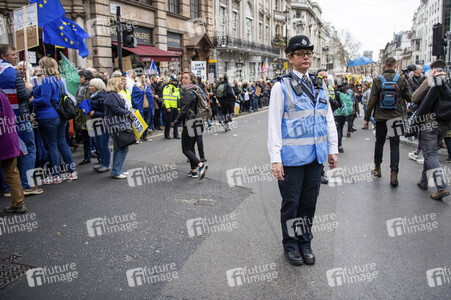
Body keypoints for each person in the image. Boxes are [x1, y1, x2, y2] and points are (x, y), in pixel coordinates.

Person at [267, 35, 338, 266]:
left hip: (315, 157)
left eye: (308, 53)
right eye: (300, 53)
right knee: (292, 204)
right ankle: (291, 245)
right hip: (291, 159)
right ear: (290, 58)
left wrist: (332, 149)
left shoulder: (319, 83)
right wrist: (275, 159)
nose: (306, 56)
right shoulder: (281, 86)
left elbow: (328, 119)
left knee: (309, 204)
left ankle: (305, 242)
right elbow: (274, 126)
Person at [0, 44, 43, 196]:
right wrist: (28, 89)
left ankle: (7, 188)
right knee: (29, 150)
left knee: (4, 152)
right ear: (3, 56)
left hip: (2, 119)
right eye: (12, 54)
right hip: (19, 117)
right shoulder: (12, 73)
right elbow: (22, 95)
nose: (15, 57)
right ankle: (26, 185)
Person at [363, 57, 412, 187]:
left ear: (384, 65)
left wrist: (367, 118)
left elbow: (372, 101)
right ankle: (394, 173)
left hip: (380, 118)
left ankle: (378, 168)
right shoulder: (401, 79)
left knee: (379, 142)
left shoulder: (377, 80)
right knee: (395, 145)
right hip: (396, 117)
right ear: (395, 66)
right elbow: (409, 97)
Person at [31, 57, 77, 184]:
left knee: (51, 145)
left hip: (48, 116)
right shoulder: (58, 80)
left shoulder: (46, 80)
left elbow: (45, 100)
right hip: (60, 115)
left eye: (40, 65)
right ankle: (71, 171)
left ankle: (55, 174)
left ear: (44, 66)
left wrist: (32, 100)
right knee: (62, 143)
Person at [413, 59, 450, 200]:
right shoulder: (449, 81)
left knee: (430, 155)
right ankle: (423, 181)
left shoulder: (430, 80)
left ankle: (441, 187)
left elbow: (415, 97)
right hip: (445, 124)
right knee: (431, 152)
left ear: (433, 69)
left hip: (430, 123)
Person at [173, 72, 208, 179]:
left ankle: (201, 166)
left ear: (191, 80)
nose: (183, 80)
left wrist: (175, 122)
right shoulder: (198, 90)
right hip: (198, 121)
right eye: (182, 78)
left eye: (186, 78)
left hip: (190, 123)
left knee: (186, 149)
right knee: (191, 147)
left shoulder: (189, 92)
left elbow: (184, 110)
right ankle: (193, 171)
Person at [0, 88, 26, 213]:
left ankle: (18, 203)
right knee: (12, 172)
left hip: (2, 139)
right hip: (9, 138)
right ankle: (19, 203)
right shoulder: (3, 94)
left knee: (11, 172)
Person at [104, 77, 135, 179]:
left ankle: (117, 170)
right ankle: (117, 171)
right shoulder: (111, 96)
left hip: (117, 124)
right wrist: (129, 113)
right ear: (115, 85)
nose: (123, 84)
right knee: (123, 148)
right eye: (121, 83)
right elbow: (116, 110)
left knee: (119, 148)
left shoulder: (114, 95)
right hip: (116, 125)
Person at [87, 78, 110, 173]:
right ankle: (102, 162)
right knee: (98, 143)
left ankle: (106, 164)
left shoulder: (103, 96)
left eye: (92, 86)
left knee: (104, 144)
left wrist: (94, 113)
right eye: (90, 85)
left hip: (103, 123)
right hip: (95, 122)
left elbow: (106, 113)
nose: (90, 87)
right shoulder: (93, 95)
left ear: (97, 86)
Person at [76, 69, 94, 165]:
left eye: (81, 77)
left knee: (93, 138)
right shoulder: (81, 88)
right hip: (82, 116)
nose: (80, 78)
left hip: (89, 116)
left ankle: (100, 158)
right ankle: (87, 157)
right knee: (85, 139)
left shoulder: (90, 88)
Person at [132, 74, 154, 142]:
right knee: (140, 123)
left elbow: (150, 95)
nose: (143, 79)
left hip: (147, 107)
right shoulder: (136, 87)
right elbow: (134, 97)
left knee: (146, 122)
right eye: (142, 77)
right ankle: (139, 137)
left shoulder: (147, 87)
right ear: (139, 78)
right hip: (140, 107)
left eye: (144, 77)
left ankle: (145, 135)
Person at [163, 75, 181, 139]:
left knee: (176, 121)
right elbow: (165, 98)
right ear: (171, 81)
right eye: (173, 81)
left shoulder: (177, 89)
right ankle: (166, 134)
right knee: (168, 122)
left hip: (175, 107)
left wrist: (179, 108)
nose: (175, 82)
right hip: (170, 107)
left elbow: (178, 99)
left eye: (176, 81)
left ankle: (175, 134)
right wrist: (167, 107)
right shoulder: (167, 87)